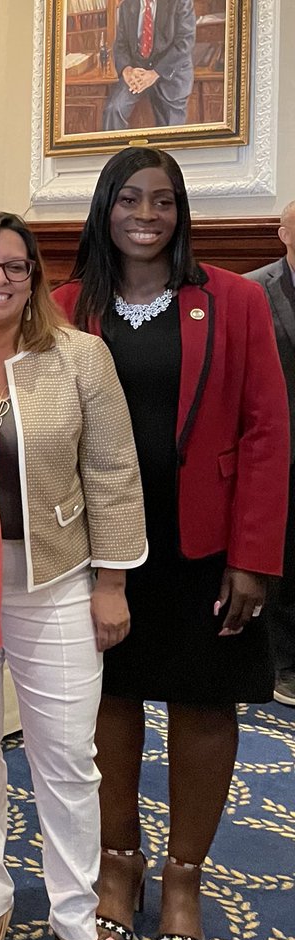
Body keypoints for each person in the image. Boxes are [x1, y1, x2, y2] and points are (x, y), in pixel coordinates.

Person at [55, 147, 289, 940]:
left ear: (181, 212)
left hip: (205, 548)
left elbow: (266, 431)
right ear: (105, 209)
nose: (146, 215)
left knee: (201, 705)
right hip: (97, 549)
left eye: (162, 200)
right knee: (108, 704)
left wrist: (254, 557)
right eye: (129, 200)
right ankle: (117, 863)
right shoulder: (64, 307)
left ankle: (184, 875)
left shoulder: (232, 302)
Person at [0, 212, 146, 940]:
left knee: (65, 755)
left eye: (15, 267)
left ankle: (78, 918)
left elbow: (114, 469)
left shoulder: (79, 356)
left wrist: (113, 581)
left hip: (57, 579)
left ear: (35, 277)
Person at [245, 201, 295, 705]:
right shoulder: (253, 290)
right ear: (283, 232)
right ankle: (282, 664)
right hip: (282, 451)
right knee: (281, 563)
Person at [102, 0, 196, 131]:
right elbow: (120, 45)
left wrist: (154, 73)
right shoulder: (127, 6)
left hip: (170, 72)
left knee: (171, 130)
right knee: (113, 110)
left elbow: (185, 43)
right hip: (137, 73)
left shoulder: (180, 2)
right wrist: (126, 70)